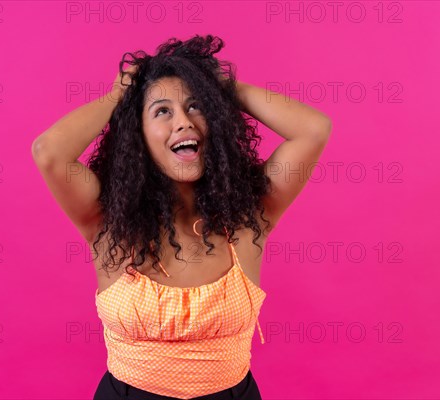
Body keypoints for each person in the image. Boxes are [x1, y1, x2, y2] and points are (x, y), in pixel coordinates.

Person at [31, 34, 332, 400]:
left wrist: (220, 87)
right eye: (162, 111)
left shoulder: (250, 217)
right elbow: (49, 152)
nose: (183, 122)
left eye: (195, 107)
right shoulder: (106, 222)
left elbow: (313, 130)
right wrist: (117, 97)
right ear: (138, 135)